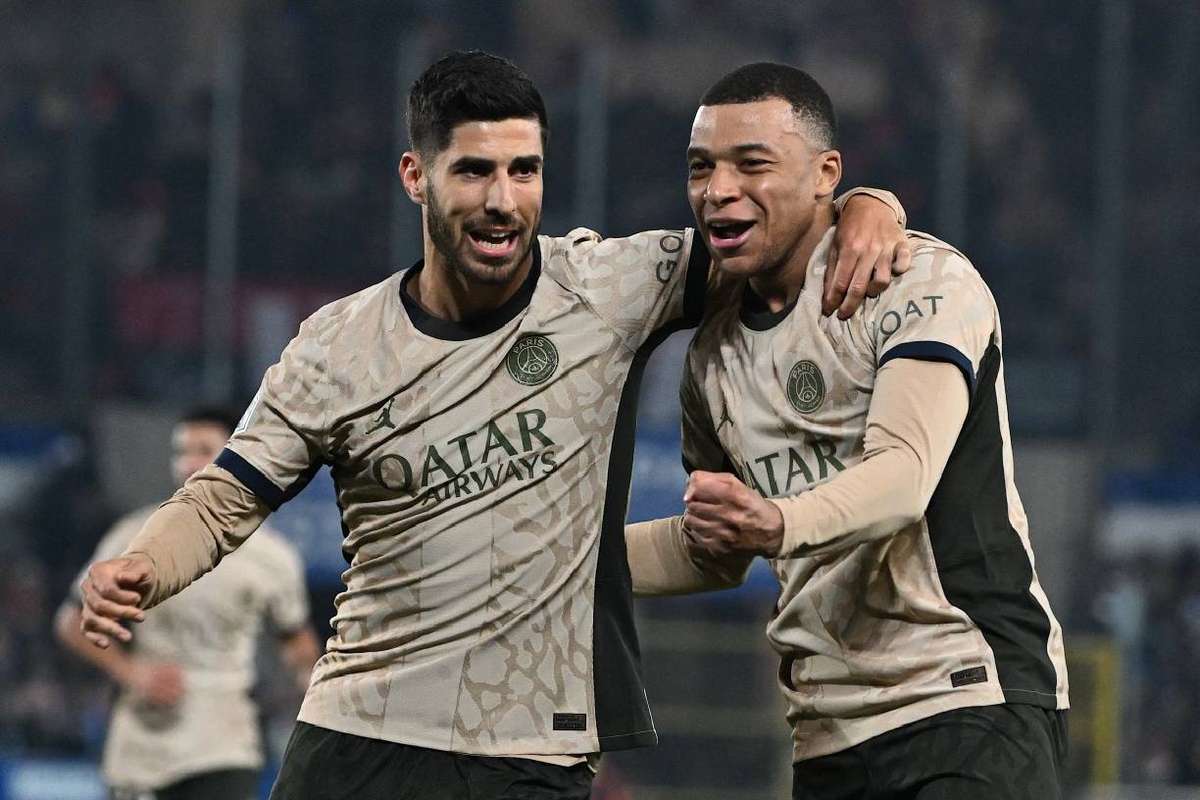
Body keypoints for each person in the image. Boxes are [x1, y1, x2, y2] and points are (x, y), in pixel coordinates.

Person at [76, 51, 909, 800]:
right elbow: (225, 496)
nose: (503, 200)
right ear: (415, 175)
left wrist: (866, 203)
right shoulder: (338, 347)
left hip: (527, 751)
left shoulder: (607, 289)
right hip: (357, 733)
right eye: (474, 171)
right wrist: (144, 566)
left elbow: (771, 234)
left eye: (525, 170)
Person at [626, 63, 1070, 799]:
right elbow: (721, 551)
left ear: (825, 174)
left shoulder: (919, 280)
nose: (718, 189)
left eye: (752, 163)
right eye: (701, 168)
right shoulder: (709, 358)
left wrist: (775, 521)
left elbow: (901, 478)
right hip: (825, 737)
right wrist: (565, 567)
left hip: (966, 700)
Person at [56, 407, 320, 800]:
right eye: (181, 451)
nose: (189, 462)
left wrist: (310, 691)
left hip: (223, 742)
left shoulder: (272, 556)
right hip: (142, 745)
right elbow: (69, 620)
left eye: (203, 449)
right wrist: (131, 672)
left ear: (235, 456)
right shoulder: (133, 538)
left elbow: (295, 639)